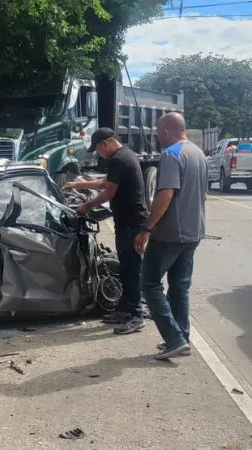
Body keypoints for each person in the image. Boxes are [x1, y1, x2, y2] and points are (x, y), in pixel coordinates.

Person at [134, 112, 207, 360]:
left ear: (165, 131)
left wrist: (147, 228)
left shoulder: (171, 155)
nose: (157, 136)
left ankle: (174, 338)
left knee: (150, 284)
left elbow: (166, 195)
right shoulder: (198, 154)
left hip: (169, 234)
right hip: (193, 231)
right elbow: (202, 196)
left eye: (157, 132)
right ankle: (182, 338)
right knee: (179, 286)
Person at [64, 127, 149, 335]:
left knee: (131, 270)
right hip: (128, 223)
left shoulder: (119, 159)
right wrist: (78, 184)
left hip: (132, 224)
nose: (99, 154)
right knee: (128, 269)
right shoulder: (125, 156)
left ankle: (136, 315)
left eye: (98, 150)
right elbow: (106, 182)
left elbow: (109, 192)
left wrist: (87, 205)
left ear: (106, 143)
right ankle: (125, 310)